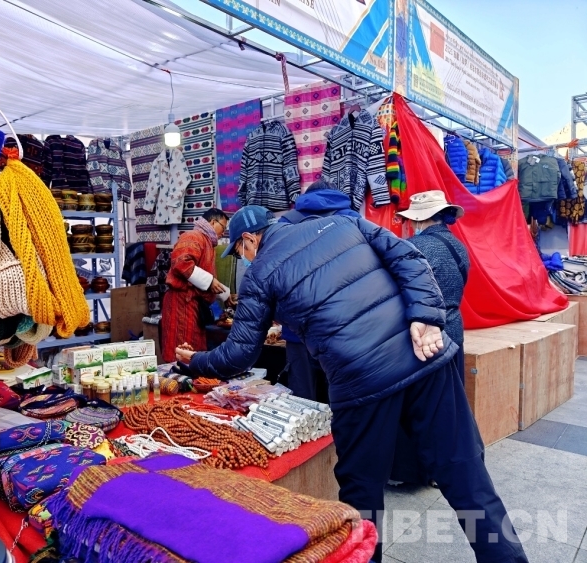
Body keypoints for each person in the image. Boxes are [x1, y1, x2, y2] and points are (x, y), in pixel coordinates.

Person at [176, 205, 527, 563]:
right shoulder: (343, 223)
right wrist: (426, 315)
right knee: (464, 472)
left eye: (239, 251)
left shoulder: (260, 272)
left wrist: (194, 361)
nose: (244, 258)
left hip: (361, 382)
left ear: (250, 239)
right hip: (424, 357)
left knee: (363, 493)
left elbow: (239, 354)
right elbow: (410, 258)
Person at [389, 190, 471, 486]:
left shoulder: (412, 246)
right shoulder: (458, 246)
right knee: (449, 407)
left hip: (424, 335)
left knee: (420, 407)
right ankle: (444, 472)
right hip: (454, 330)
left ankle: (413, 471)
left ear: (419, 219)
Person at [278, 179, 359, 402]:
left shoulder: (286, 223)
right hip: (340, 326)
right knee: (340, 393)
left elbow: (275, 272)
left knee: (302, 397)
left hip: (297, 326)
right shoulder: (355, 221)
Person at [160, 208, 229, 363]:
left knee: (193, 352)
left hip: (194, 306)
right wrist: (210, 281)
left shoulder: (207, 243)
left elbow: (205, 280)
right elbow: (181, 263)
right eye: (223, 227)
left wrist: (225, 294)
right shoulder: (193, 236)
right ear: (213, 222)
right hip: (181, 304)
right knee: (180, 352)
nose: (224, 233)